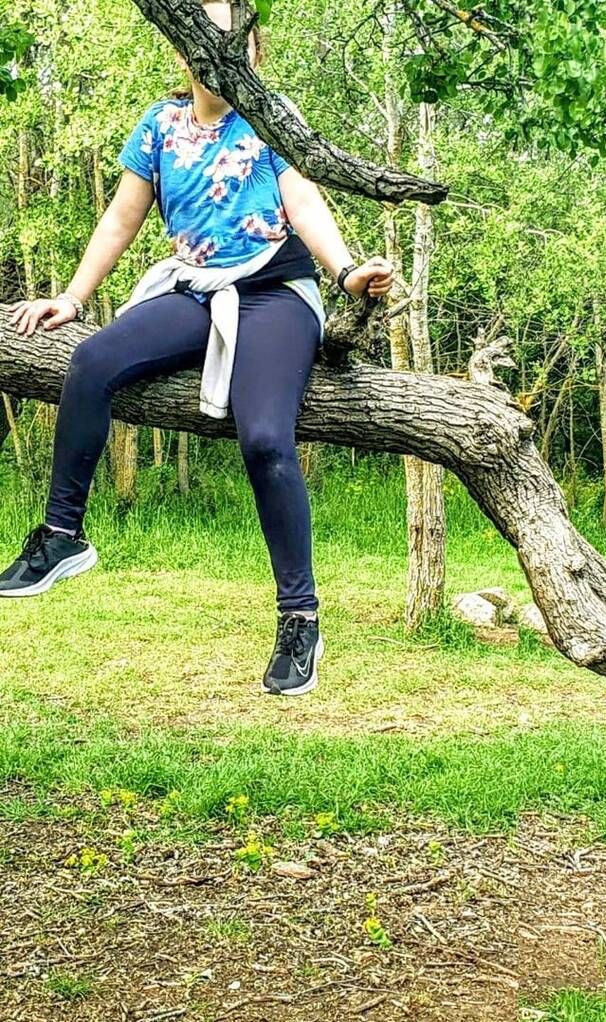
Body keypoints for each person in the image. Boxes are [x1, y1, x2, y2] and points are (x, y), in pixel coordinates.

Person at [1, 0, 394, 698]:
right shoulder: (159, 126)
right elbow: (122, 217)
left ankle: (300, 618)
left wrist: (345, 273)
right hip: (195, 290)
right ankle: (62, 537)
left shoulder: (273, 119)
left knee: (265, 438)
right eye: (202, 37)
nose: (215, 49)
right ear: (182, 49)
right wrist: (73, 296)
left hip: (274, 292)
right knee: (90, 362)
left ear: (252, 47)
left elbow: (304, 204)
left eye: (230, 37)